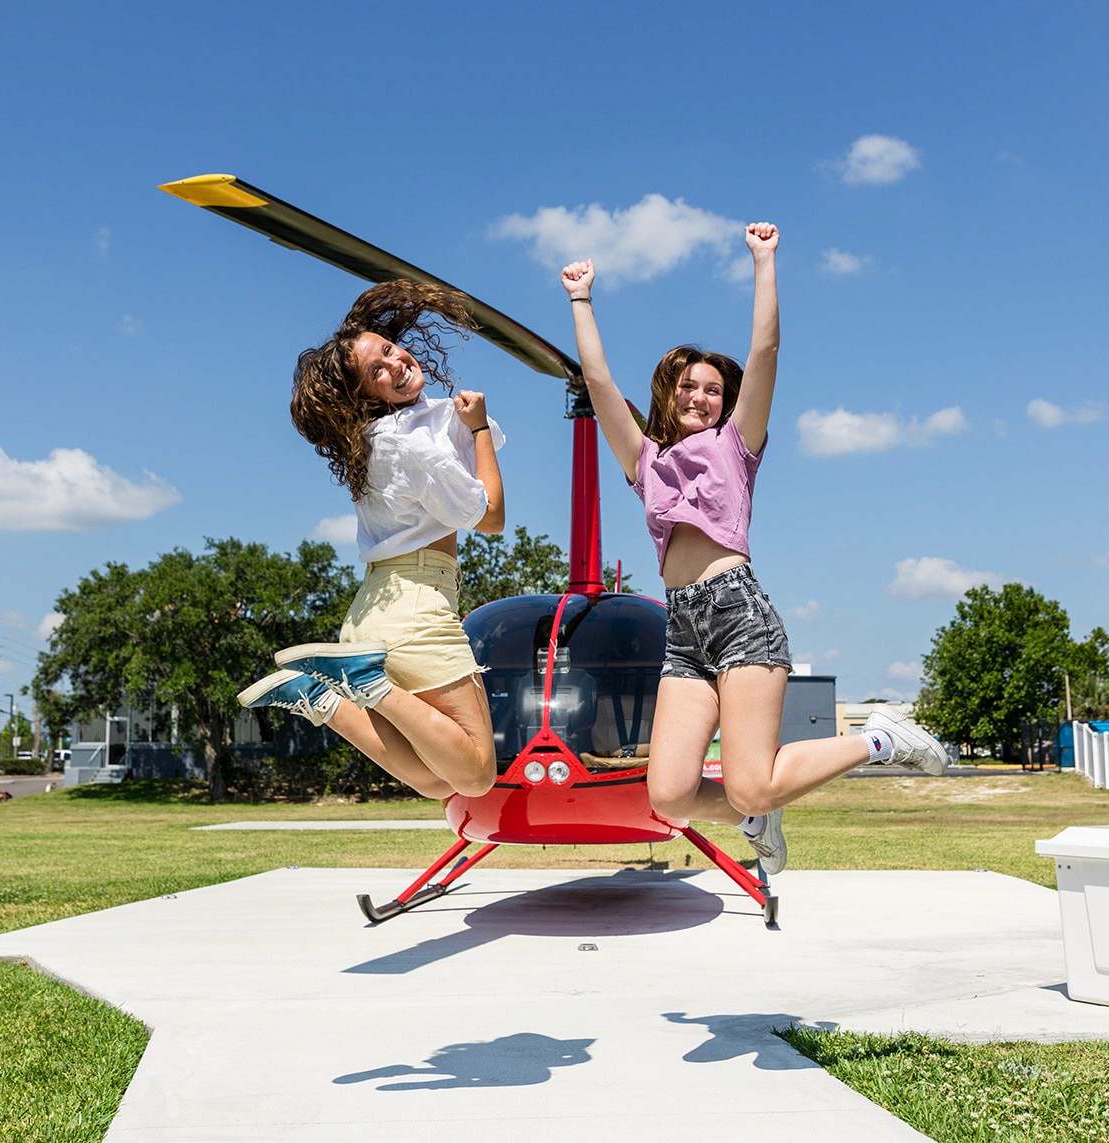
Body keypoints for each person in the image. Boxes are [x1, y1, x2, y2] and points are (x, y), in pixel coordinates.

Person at [559, 223, 946, 878]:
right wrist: (580, 301)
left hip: (739, 616)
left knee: (752, 780)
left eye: (713, 389)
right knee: (672, 795)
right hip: (683, 626)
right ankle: (753, 819)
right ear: (669, 391)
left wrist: (765, 262)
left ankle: (876, 738)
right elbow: (598, 385)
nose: (701, 395)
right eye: (689, 385)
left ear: (726, 402)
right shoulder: (645, 461)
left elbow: (765, 348)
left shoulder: (738, 445)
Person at [238, 280, 505, 800]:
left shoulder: (374, 441)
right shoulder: (413, 447)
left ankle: (320, 698)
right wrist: (477, 431)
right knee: (474, 776)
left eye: (387, 351)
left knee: (434, 782)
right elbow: (490, 518)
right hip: (417, 607)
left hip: (370, 612)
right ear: (363, 395)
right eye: (375, 373)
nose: (393, 365)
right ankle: (368, 683)